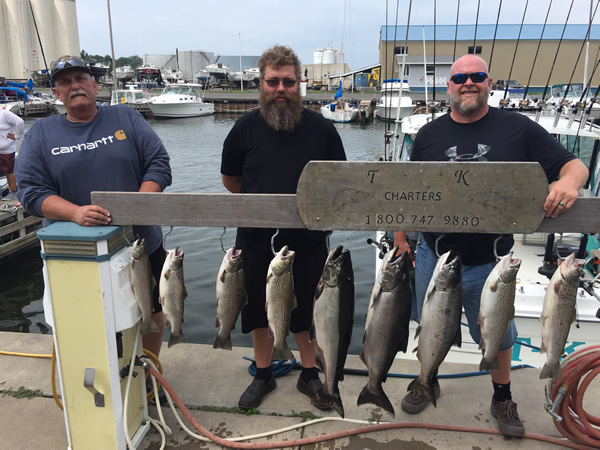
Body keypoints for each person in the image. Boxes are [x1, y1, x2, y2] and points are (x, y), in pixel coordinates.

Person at [394, 54, 589, 437]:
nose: (469, 83)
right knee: (431, 326)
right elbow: (406, 190)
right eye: (460, 78)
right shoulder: (428, 135)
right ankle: (427, 378)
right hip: (434, 254)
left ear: (489, 82)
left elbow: (574, 165)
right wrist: (401, 238)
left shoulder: (519, 128)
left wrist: (569, 184)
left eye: (477, 76)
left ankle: (502, 396)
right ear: (449, 86)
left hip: (491, 261)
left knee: (498, 336)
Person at [14, 55, 172, 360]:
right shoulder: (41, 134)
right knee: (86, 318)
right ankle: (102, 375)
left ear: (94, 85)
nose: (75, 86)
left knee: (151, 309)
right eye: (64, 82)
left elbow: (159, 165)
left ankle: (148, 371)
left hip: (141, 243)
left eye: (81, 79)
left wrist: (137, 203)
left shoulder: (126, 117)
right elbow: (31, 192)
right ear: (56, 93)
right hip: (77, 252)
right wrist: (75, 213)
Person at [221, 45, 347, 410]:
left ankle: (310, 373)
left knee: (308, 311)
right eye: (273, 81)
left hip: (309, 241)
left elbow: (337, 181)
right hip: (257, 241)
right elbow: (231, 180)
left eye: (288, 82)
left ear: (300, 84)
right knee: (259, 312)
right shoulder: (244, 129)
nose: (281, 89)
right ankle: (263, 374)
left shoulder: (323, 130)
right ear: (261, 83)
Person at [0, 107, 24, 201]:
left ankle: (13, 191)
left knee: (9, 171)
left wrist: (17, 136)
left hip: (7, 149)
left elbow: (20, 122)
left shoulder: (5, 114)